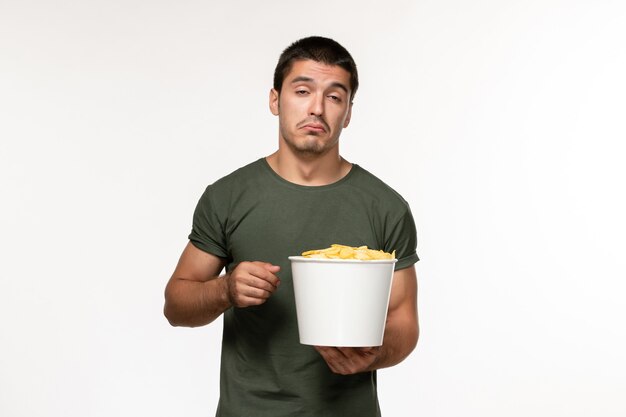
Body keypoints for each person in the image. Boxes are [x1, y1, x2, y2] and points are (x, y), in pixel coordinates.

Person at [164, 36, 419, 417]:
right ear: (275, 100)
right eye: (302, 91)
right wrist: (225, 290)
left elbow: (404, 322)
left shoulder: (386, 208)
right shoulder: (228, 196)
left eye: (335, 97)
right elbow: (176, 304)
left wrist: (371, 356)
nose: (317, 108)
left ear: (348, 113)